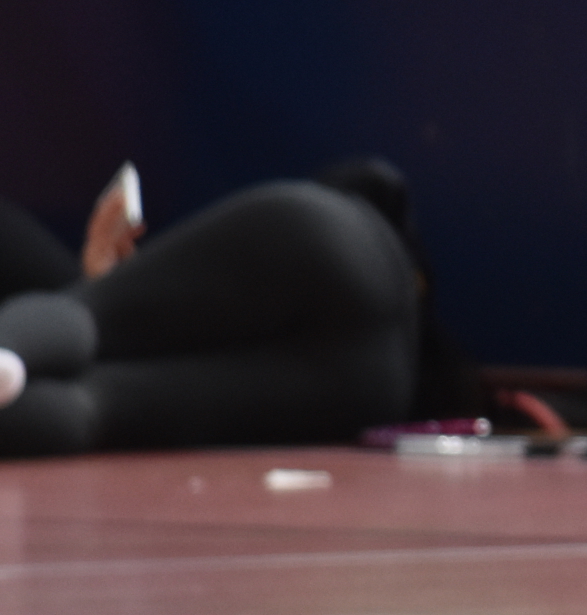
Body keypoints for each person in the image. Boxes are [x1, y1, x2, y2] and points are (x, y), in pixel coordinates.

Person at [0, 160, 471, 458]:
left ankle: (15, 345)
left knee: (97, 355)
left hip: (346, 258)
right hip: (373, 381)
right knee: (99, 394)